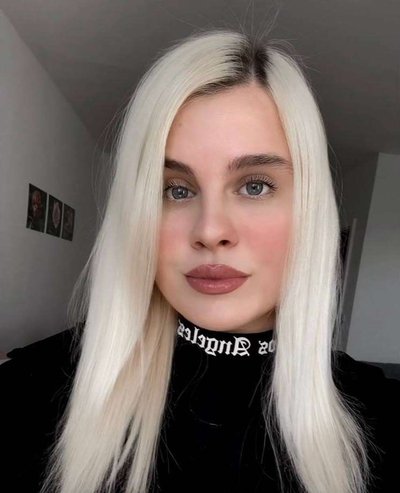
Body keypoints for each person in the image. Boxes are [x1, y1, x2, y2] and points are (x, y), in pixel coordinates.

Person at [1, 28, 399, 493]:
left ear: (309, 210)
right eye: (176, 190)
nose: (210, 231)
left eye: (255, 186)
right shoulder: (32, 391)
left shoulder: (381, 420)